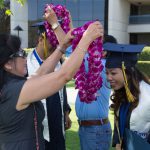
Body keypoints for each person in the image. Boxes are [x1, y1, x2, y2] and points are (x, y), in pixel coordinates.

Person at [0, 8, 104, 150]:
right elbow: (63, 76)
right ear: (7, 64)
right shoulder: (15, 90)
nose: (24, 57)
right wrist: (85, 40)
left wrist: (62, 47)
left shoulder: (10, 85)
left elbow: (39, 74)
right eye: (20, 53)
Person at [27, 8, 71, 150]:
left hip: (57, 125)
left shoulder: (59, 62)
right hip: (36, 129)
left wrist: (66, 111)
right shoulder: (26, 64)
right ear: (41, 39)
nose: (56, 50)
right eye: (53, 45)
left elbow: (62, 87)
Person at [104, 42, 150, 150]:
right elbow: (119, 128)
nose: (108, 77)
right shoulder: (122, 94)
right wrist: (118, 144)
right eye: (106, 73)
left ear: (127, 73)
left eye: (113, 73)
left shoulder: (147, 95)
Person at [75, 35, 117, 150]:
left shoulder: (103, 66)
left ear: (103, 52)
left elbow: (78, 56)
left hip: (95, 129)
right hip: (90, 128)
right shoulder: (95, 64)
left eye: (95, 45)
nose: (92, 47)